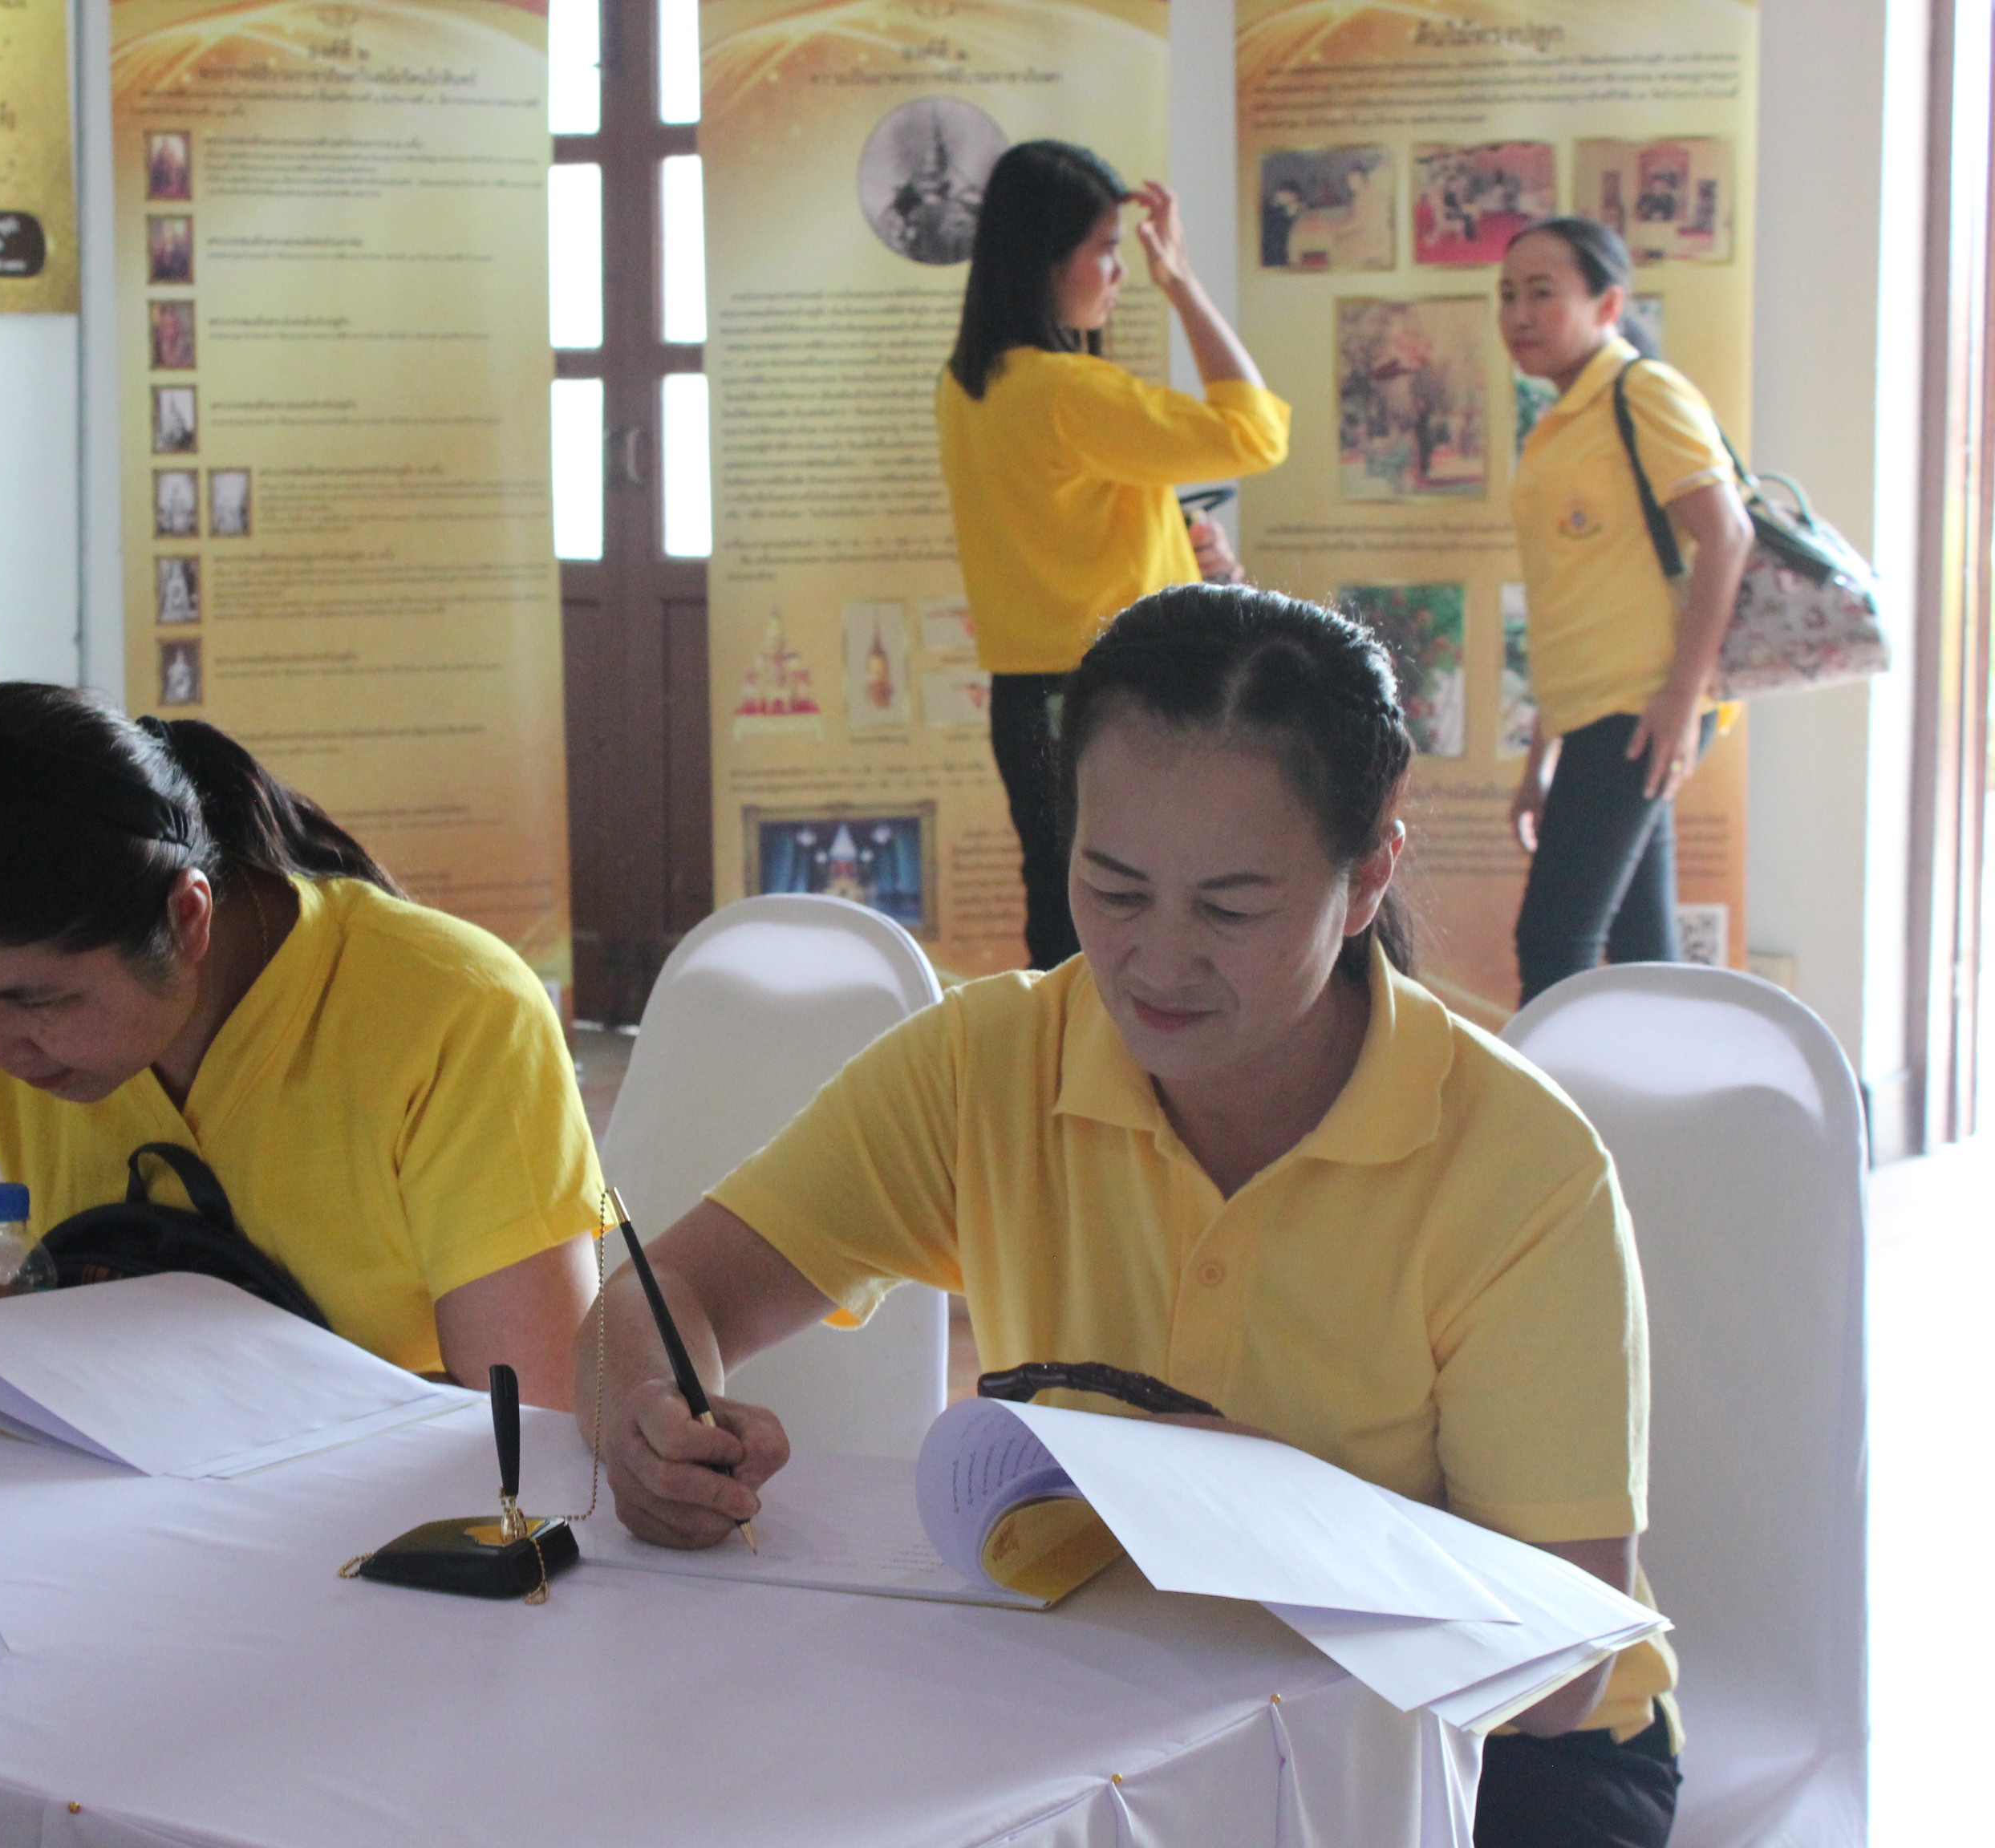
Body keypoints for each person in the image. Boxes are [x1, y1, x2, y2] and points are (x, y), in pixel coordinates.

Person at [599, 586, 1681, 1848]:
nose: (1158, 966)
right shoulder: (991, 1063)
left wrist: (1255, 1519)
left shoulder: (1515, 1164)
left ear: (1371, 870)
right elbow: (663, 1294)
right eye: (1111, 890)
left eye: (1230, 909)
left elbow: (1560, 1678)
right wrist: (645, 1427)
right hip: (1113, 1712)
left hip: (1475, 1759)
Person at [0, 685, 604, 1406]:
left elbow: (536, 1420)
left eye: (41, 1002)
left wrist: (102, 1361)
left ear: (186, 920)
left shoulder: (454, 1016)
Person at [938, 141, 1289, 971]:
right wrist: (1183, 285)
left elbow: (1072, 527)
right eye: (1106, 248)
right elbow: (1258, 430)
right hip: (1107, 696)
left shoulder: (968, 387)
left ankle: (1062, 1096)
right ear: (1045, 258)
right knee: (1134, 929)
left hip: (1031, 700)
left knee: (1069, 925)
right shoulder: (1070, 393)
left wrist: (1180, 549)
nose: (1123, 271)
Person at [1500, 217, 1753, 1001]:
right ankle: (1678, 1116)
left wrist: (1681, 701)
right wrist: (1540, 759)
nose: (1518, 314)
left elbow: (1728, 535)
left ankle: (1557, 1125)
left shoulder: (1641, 391)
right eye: (1507, 295)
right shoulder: (1558, 423)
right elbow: (1570, 601)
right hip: (1596, 714)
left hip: (1641, 709)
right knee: (1646, 951)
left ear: (1608, 304)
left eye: (1544, 293)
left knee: (1553, 941)